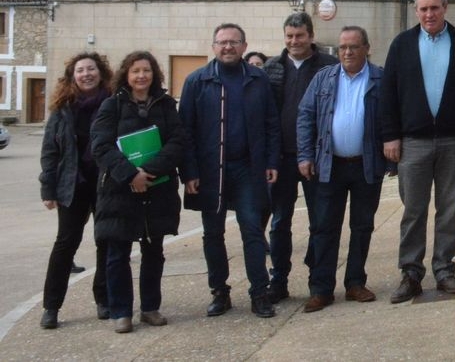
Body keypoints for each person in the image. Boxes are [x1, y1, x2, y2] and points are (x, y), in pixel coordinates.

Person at [381, 0, 455, 303]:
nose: (429, 14)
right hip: (413, 143)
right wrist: (390, 135)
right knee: (413, 211)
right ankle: (410, 273)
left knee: (450, 210)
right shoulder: (402, 44)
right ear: (415, 10)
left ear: (445, 7)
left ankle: (445, 271)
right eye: (422, 9)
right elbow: (389, 93)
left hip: (454, 141)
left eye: (434, 8)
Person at [180, 23, 281, 319]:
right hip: (211, 171)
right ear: (213, 46)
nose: (228, 47)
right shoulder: (196, 81)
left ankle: (259, 293)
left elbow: (271, 124)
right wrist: (189, 172)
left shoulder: (258, 80)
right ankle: (219, 292)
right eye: (222, 42)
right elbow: (184, 132)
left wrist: (272, 162)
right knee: (213, 233)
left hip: (248, 169)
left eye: (233, 42)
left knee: (252, 229)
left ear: (244, 45)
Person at [91, 51, 189, 333]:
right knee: (117, 253)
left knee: (154, 252)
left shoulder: (166, 104)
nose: (141, 76)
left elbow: (178, 141)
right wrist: (131, 175)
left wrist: (149, 172)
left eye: (146, 71)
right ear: (127, 75)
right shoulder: (112, 105)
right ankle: (121, 311)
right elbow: (101, 145)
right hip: (120, 191)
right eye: (136, 71)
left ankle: (150, 308)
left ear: (154, 74)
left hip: (157, 190)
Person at [296, 27, 387, 311]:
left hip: (366, 165)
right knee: (324, 227)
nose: (347, 52)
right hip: (328, 165)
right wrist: (304, 156)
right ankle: (321, 288)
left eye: (353, 47)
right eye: (343, 47)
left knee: (362, 226)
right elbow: (305, 116)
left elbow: (391, 118)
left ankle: (355, 283)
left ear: (366, 48)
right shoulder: (323, 79)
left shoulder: (380, 79)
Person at [260, 12, 338, 303]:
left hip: (317, 158)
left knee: (320, 221)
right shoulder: (271, 68)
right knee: (280, 222)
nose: (294, 41)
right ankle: (278, 280)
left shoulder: (329, 67)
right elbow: (265, 116)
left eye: (300, 36)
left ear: (311, 36)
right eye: (290, 36)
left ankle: (317, 281)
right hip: (280, 159)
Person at [38, 53, 114, 329]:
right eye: (80, 70)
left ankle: (103, 299)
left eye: (91, 69)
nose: (86, 74)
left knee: (105, 241)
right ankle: (51, 306)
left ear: (100, 72)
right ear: (73, 76)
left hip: (106, 184)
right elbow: (50, 150)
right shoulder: (62, 108)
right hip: (73, 185)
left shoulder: (113, 101)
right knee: (65, 244)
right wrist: (48, 188)